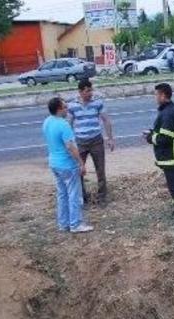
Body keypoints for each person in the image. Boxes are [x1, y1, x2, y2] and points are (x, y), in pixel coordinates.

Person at [42, 98, 92, 233]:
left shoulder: (47, 122)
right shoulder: (63, 124)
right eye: (64, 107)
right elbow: (70, 146)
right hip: (67, 165)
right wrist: (81, 163)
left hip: (54, 163)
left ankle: (63, 223)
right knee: (74, 194)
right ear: (59, 109)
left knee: (62, 194)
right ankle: (75, 224)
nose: (67, 109)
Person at [145, 83, 174, 224]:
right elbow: (167, 132)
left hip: (171, 158)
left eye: (156, 94)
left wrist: (149, 137)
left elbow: (164, 138)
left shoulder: (167, 113)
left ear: (163, 95)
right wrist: (153, 132)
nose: (155, 97)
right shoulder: (172, 109)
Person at [67, 79, 115, 204]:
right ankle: (83, 197)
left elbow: (106, 120)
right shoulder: (72, 105)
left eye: (91, 90)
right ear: (80, 92)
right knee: (79, 170)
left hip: (96, 141)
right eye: (87, 91)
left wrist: (110, 139)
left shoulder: (97, 103)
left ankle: (102, 197)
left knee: (100, 170)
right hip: (80, 143)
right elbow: (68, 125)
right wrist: (70, 144)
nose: (90, 93)